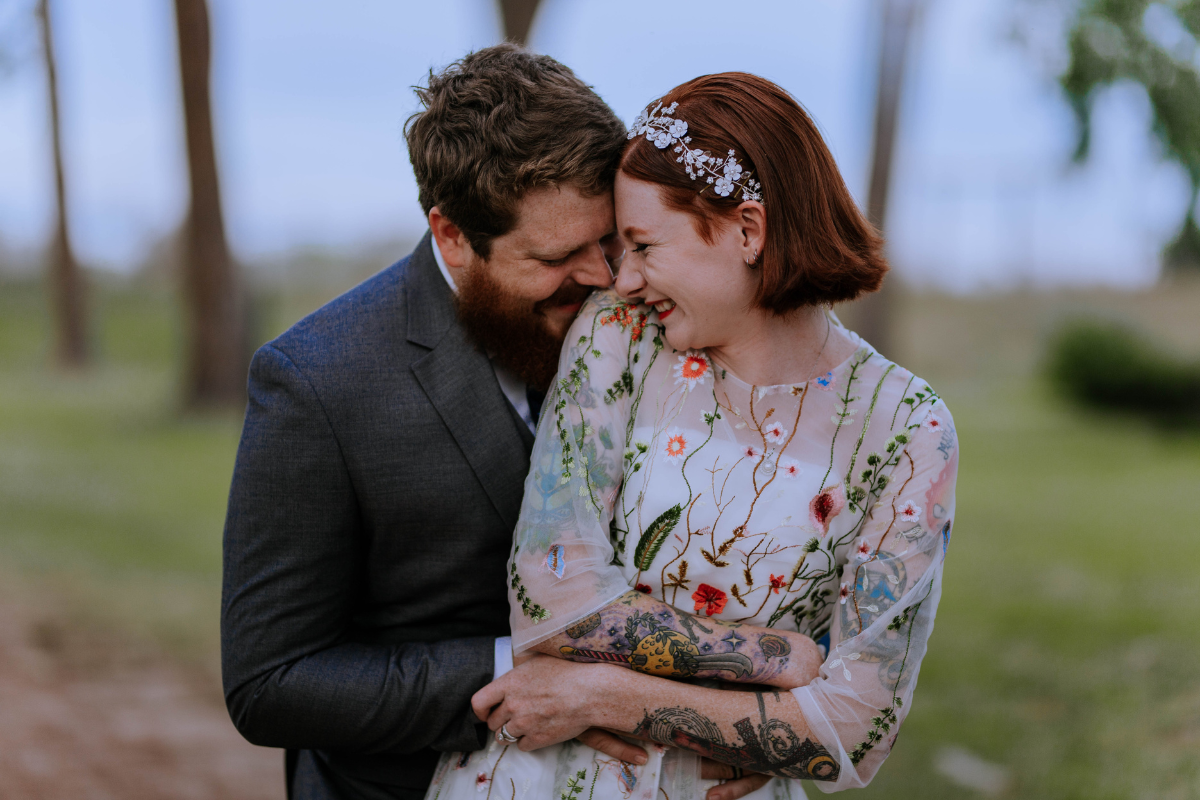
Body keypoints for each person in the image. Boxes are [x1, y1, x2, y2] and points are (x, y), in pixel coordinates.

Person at [430, 73, 959, 800]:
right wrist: (781, 660)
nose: (623, 278)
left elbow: (856, 728)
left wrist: (601, 698)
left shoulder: (906, 428)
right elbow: (555, 602)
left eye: (643, 244)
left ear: (747, 229)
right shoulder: (620, 339)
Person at [221, 45, 645, 800]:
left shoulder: (647, 321)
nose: (604, 279)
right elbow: (271, 682)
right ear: (452, 235)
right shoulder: (316, 381)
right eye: (557, 255)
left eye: (608, 240)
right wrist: (520, 676)